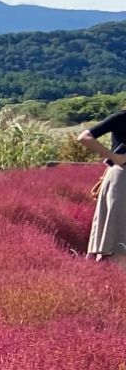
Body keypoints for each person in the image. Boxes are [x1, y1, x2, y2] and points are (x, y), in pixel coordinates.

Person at [77, 108, 126, 260]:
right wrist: (113, 156)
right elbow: (84, 137)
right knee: (119, 237)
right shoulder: (122, 117)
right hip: (122, 178)